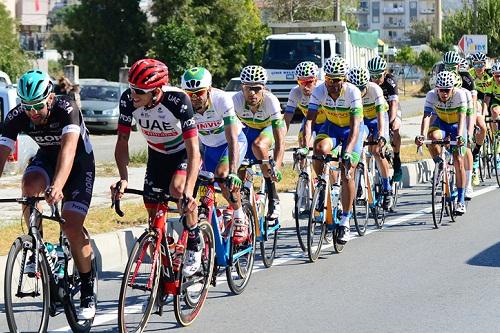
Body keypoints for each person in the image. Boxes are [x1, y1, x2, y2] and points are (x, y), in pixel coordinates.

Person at [0, 69, 96, 319]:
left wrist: (58, 185)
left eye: (38, 106)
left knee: (71, 226)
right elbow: (1, 153)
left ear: (50, 98)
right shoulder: (16, 116)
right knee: (29, 185)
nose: (32, 112)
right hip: (47, 158)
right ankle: (35, 245)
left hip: (77, 163)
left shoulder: (67, 109)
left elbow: (68, 151)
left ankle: (87, 289)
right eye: (27, 106)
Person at [112, 59, 202, 276]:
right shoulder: (128, 100)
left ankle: (194, 238)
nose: (134, 95)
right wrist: (123, 178)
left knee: (178, 190)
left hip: (182, 153)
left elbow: (194, 151)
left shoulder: (178, 100)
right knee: (153, 217)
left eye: (140, 91)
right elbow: (122, 141)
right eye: (132, 88)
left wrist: (189, 191)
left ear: (157, 91)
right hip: (157, 155)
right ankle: (166, 258)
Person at [181, 67, 249, 243]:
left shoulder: (221, 100)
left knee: (222, 175)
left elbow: (232, 137)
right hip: (209, 148)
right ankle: (215, 220)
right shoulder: (185, 106)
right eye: (190, 94)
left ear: (209, 90)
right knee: (203, 188)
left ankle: (240, 215)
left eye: (199, 92)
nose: (195, 98)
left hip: (232, 143)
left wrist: (233, 171)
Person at [303, 56, 364, 244]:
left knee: (347, 173)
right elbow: (310, 121)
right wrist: (305, 146)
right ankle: (323, 184)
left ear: (344, 79)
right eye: (329, 79)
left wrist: (348, 151)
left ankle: (345, 220)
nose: (333, 84)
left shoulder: (352, 92)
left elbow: (355, 127)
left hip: (352, 131)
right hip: (332, 128)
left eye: (337, 80)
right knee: (319, 150)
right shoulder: (319, 90)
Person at [232, 65, 285, 220]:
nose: (252, 93)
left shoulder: (271, 101)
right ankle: (240, 208)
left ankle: (273, 198)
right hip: (249, 129)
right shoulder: (235, 100)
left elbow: (281, 142)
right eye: (248, 88)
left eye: (257, 88)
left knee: (259, 145)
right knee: (239, 165)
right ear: (242, 87)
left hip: (269, 129)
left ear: (264, 88)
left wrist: (278, 166)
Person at [415, 71, 467, 215]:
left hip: (457, 125)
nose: (444, 93)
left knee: (458, 160)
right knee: (432, 137)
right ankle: (439, 164)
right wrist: (421, 135)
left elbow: (462, 116)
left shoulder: (459, 95)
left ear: (452, 89)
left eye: (447, 90)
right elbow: (426, 116)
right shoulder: (431, 95)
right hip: (442, 123)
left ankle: (461, 200)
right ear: (437, 88)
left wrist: (460, 137)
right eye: (441, 90)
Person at [347, 66, 393, 210]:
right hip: (363, 121)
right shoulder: (349, 92)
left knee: (377, 150)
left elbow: (381, 116)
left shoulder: (375, 90)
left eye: (362, 88)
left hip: (378, 119)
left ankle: (387, 189)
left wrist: (381, 135)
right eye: (356, 88)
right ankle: (359, 183)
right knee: (357, 146)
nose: (359, 92)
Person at [367, 56, 403, 183]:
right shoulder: (368, 82)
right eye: (373, 76)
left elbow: (394, 104)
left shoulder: (390, 81)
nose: (375, 79)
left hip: (391, 108)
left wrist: (390, 122)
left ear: (385, 72)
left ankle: (397, 159)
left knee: (395, 126)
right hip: (377, 110)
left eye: (378, 76)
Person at [284, 61, 325, 149]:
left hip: (327, 122)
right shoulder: (295, 92)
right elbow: (287, 117)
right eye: (301, 82)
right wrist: (281, 136)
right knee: (303, 143)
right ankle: (302, 162)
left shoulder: (323, 89)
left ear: (316, 80)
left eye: (309, 82)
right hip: (309, 122)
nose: (305, 87)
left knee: (322, 148)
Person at [468, 52, 493, 183]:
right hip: (474, 98)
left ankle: (488, 145)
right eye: (476, 64)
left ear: (485, 64)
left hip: (487, 97)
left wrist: (483, 115)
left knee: (487, 118)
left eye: (481, 64)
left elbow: (487, 98)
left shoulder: (489, 75)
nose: (478, 67)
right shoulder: (469, 74)